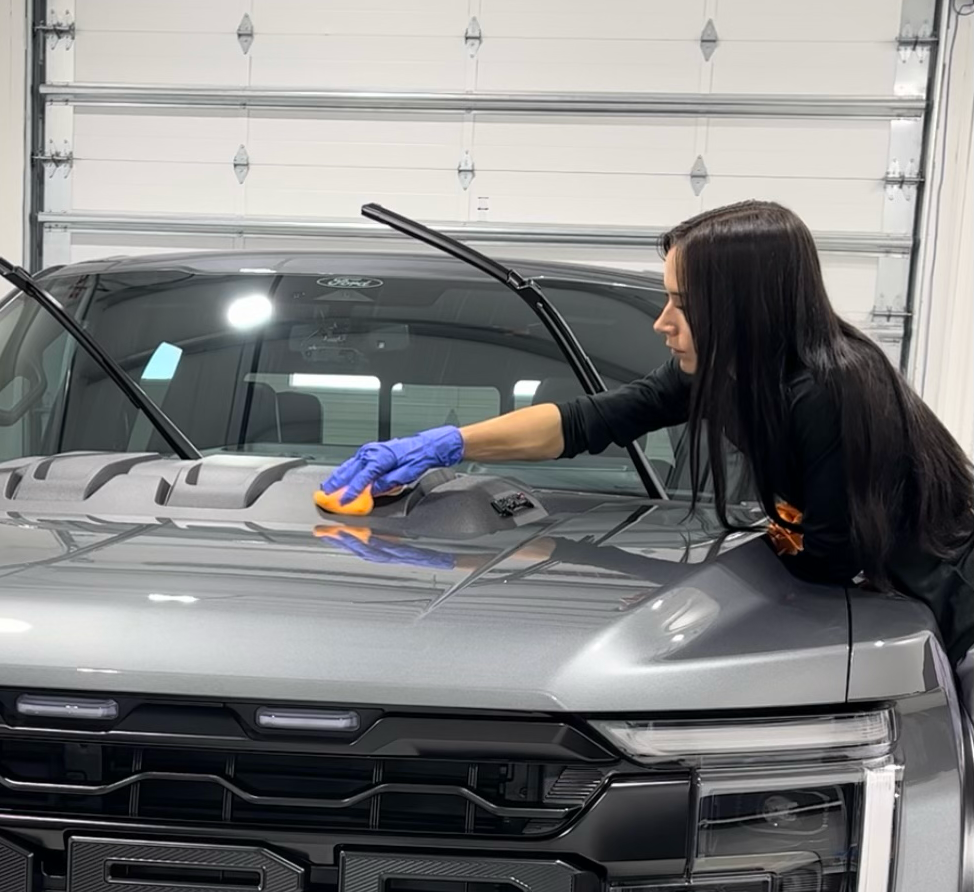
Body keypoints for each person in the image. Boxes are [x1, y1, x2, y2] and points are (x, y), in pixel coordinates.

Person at [319, 200, 974, 700]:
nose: (661, 322)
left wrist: (680, 597)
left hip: (953, 602)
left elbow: (829, 560)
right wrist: (450, 443)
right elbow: (591, 420)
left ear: (742, 309)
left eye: (681, 304)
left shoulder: (830, 387)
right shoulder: (721, 371)